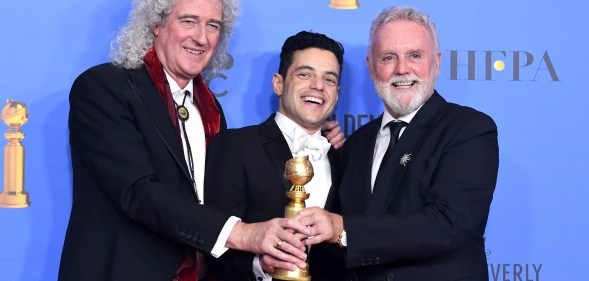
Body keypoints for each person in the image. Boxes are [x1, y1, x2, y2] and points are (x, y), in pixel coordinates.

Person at [58, 0, 344, 280]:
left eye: (213, 26)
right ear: (156, 23)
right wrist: (242, 234)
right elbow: (137, 192)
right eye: (189, 21)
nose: (201, 38)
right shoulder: (105, 88)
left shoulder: (209, 109)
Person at [294, 6, 499, 281]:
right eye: (388, 57)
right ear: (371, 66)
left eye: (414, 55)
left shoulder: (469, 129)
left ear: (436, 63)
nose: (402, 69)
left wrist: (343, 228)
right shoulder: (354, 145)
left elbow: (447, 225)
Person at [204, 31, 346, 281]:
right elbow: (210, 240)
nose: (318, 86)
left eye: (330, 79)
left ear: (337, 93)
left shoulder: (346, 158)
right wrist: (258, 265)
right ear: (278, 83)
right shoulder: (235, 146)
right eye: (305, 74)